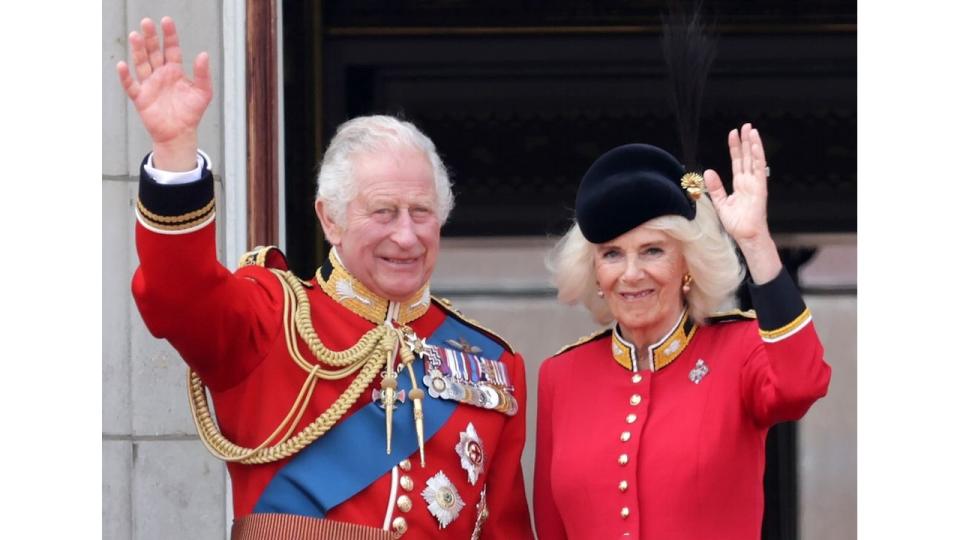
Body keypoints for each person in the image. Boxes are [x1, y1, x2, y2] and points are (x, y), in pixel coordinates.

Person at [118, 16, 534, 539]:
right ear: (329, 218)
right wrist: (175, 154)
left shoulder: (491, 364)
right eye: (383, 212)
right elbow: (178, 293)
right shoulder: (271, 320)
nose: (406, 236)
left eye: (422, 212)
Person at [532, 126, 832, 539]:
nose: (632, 274)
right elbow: (550, 529)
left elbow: (804, 383)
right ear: (595, 272)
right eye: (612, 255)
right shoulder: (561, 376)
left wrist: (755, 241)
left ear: (687, 264)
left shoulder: (739, 349)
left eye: (653, 250)